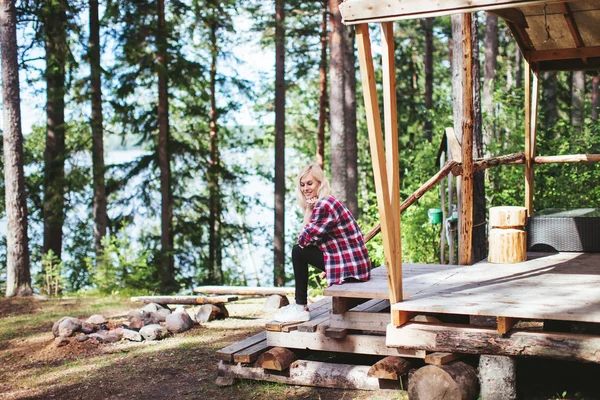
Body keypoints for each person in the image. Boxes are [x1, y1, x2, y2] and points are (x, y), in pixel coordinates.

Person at [273, 163, 371, 323]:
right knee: (300, 250)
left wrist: (308, 211)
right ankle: (299, 305)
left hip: (351, 270)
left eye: (310, 183)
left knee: (298, 251)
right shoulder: (326, 201)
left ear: (320, 183)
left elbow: (303, 240)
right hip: (353, 266)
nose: (305, 188)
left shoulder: (324, 205)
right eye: (302, 185)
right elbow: (311, 239)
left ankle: (300, 307)